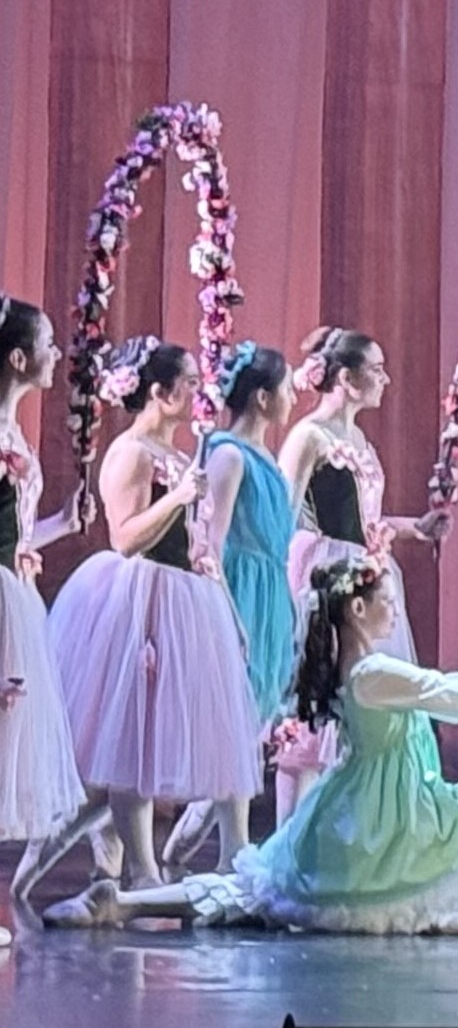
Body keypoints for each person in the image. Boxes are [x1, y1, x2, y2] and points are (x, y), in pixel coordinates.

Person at [41, 556, 458, 934]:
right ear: (357, 610)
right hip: (373, 822)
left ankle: (124, 903)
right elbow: (452, 693)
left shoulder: (363, 668)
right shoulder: (373, 673)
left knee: (255, 895)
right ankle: (122, 902)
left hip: (393, 810)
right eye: (387, 598)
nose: (395, 608)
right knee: (255, 895)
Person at [23, 339, 262, 889]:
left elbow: (200, 545)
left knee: (176, 733)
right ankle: (141, 867)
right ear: (159, 391)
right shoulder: (131, 453)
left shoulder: (177, 456)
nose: (199, 391)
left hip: (191, 598)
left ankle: (218, 856)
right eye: (190, 382)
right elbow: (125, 538)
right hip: (140, 598)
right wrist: (176, 498)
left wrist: (229, 612)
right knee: (133, 737)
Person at [161, 342, 301, 872]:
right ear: (263, 397)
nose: (293, 398)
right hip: (240, 593)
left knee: (251, 724)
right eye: (286, 389)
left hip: (268, 595)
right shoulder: (229, 455)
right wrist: (228, 615)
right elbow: (211, 545)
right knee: (234, 724)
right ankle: (232, 853)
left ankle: (211, 842)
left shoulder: (265, 459)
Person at [280, 327, 447, 662]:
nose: (385, 379)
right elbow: (283, 514)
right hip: (328, 568)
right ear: (346, 377)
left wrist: (416, 527)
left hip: (366, 569)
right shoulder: (310, 436)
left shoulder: (358, 438)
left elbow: (362, 520)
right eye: (376, 369)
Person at [0, 298, 81, 939]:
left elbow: (14, 534)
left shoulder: (13, 431)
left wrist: (60, 524)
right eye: (48, 344)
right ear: (19, 357)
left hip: (16, 594)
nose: (56, 355)